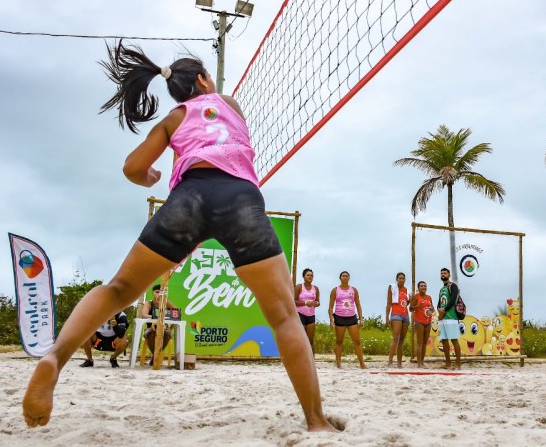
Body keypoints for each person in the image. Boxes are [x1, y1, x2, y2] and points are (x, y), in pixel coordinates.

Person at [23, 42, 335, 432]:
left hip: (188, 198)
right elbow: (219, 129)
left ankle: (54, 359)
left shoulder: (172, 119)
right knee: (285, 315)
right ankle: (316, 420)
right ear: (203, 79)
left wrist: (150, 177)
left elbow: (132, 168)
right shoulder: (229, 104)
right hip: (239, 198)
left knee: (120, 289)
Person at [328, 271, 367, 369]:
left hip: (351, 317)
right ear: (340, 278)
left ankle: (362, 364)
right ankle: (338, 364)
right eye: (343, 276)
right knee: (339, 341)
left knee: (357, 341)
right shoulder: (335, 290)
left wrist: (361, 319)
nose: (345, 277)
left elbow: (358, 304)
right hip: (339, 317)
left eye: (346, 276)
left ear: (349, 278)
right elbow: (330, 306)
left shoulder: (353, 290)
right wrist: (331, 320)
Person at [142, 284, 178, 362]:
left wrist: (170, 326)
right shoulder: (149, 303)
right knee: (151, 332)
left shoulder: (166, 302)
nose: (159, 294)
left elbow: (177, 314)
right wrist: (156, 316)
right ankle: (155, 356)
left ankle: (154, 357)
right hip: (151, 328)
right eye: (157, 292)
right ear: (152, 293)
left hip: (164, 329)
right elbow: (144, 315)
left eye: (161, 293)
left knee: (167, 333)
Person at [437, 267, 461, 369]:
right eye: (441, 273)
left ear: (449, 275)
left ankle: (458, 364)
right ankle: (448, 363)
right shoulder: (441, 289)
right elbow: (439, 303)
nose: (443, 274)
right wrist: (439, 311)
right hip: (442, 318)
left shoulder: (453, 286)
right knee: (444, 340)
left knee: (454, 340)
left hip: (451, 317)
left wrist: (444, 310)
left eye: (445, 273)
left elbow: (453, 299)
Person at [385, 271, 410, 368]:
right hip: (396, 314)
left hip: (405, 315)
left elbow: (404, 303)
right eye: (400, 278)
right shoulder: (392, 288)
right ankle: (390, 361)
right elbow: (389, 303)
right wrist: (387, 317)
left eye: (403, 278)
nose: (401, 280)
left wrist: (409, 300)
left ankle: (399, 363)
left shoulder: (406, 290)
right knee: (396, 338)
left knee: (402, 340)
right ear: (396, 279)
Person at [294, 268, 320, 354]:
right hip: (300, 314)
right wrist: (305, 303)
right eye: (308, 275)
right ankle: (299, 358)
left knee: (310, 340)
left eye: (311, 275)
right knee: (301, 339)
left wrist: (316, 303)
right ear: (304, 276)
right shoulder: (299, 287)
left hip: (311, 315)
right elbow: (293, 301)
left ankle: (311, 359)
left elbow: (318, 302)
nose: (310, 277)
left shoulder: (315, 288)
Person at [409, 280, 433, 368]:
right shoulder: (416, 296)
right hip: (419, 322)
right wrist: (418, 306)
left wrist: (431, 310)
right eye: (421, 286)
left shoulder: (429, 297)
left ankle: (422, 362)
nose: (423, 287)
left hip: (428, 322)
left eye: (425, 286)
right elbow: (410, 309)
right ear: (418, 288)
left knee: (424, 343)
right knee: (419, 342)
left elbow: (432, 308)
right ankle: (419, 363)